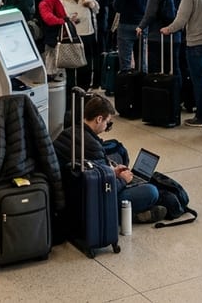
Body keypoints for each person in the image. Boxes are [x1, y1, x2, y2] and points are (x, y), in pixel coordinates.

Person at [52, 94, 164, 223]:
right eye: (107, 122)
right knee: (151, 191)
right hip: (86, 203)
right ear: (99, 119)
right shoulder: (92, 147)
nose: (106, 127)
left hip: (69, 192)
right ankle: (127, 216)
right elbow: (102, 189)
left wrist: (113, 172)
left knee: (117, 159)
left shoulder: (68, 131)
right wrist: (122, 180)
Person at [138, 0, 183, 80]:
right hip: (176, 35)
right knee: (175, 66)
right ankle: (175, 94)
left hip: (157, 35)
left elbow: (150, 13)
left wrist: (141, 26)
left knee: (156, 69)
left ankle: (158, 96)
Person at [116, 0, 154, 72]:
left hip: (126, 23)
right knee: (142, 60)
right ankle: (141, 86)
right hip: (143, 24)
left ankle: (127, 87)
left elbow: (117, 6)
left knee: (125, 61)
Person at [61, 0, 100, 90]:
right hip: (73, 36)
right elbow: (61, 16)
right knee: (72, 65)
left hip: (87, 34)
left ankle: (85, 87)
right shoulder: (64, 0)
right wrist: (69, 19)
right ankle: (71, 89)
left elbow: (97, 10)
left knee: (86, 63)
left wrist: (91, 4)